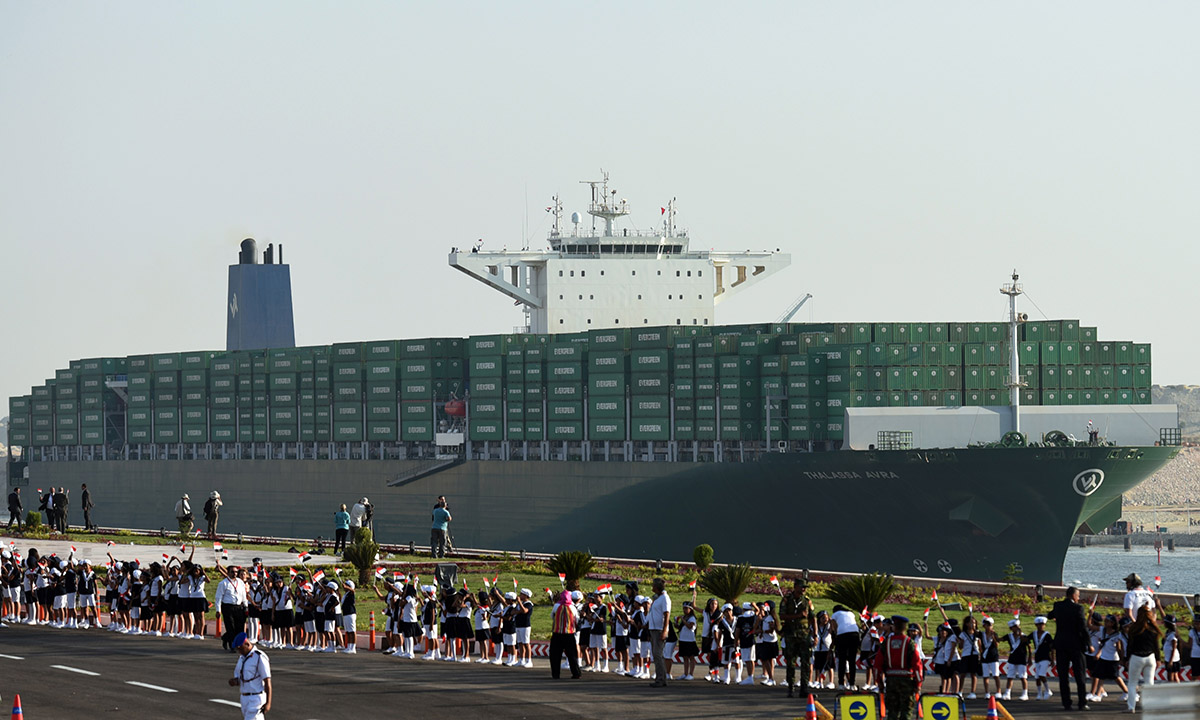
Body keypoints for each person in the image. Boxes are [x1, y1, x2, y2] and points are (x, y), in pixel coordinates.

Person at [1050, 586, 1092, 711]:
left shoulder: (1058, 606)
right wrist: (1089, 644)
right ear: (1074, 595)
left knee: (1063, 676)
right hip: (1076, 645)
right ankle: (1082, 703)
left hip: (1061, 644)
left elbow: (1050, 615)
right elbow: (1083, 628)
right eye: (1078, 595)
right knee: (1080, 675)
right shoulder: (1078, 608)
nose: (1079, 598)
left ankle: (1066, 703)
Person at [876, 615, 922, 720]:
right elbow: (917, 665)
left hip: (891, 681)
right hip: (907, 681)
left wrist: (879, 682)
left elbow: (877, 665)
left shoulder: (886, 643)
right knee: (906, 712)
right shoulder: (909, 643)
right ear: (905, 628)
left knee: (892, 712)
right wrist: (918, 683)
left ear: (893, 627)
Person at [780, 577, 816, 697]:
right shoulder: (786, 600)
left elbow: (812, 618)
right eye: (802, 587)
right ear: (795, 587)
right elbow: (782, 616)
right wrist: (798, 616)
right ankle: (791, 687)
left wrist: (815, 635)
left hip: (804, 635)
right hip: (791, 634)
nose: (804, 589)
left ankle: (804, 688)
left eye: (805, 587)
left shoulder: (807, 601)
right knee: (791, 662)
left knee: (806, 662)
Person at [1125, 606, 1162, 712]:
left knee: (1132, 683)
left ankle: (1131, 707)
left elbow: (1130, 645)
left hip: (1136, 657)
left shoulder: (1134, 628)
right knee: (1149, 683)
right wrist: (1158, 659)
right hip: (1150, 657)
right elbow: (1156, 646)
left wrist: (1127, 659)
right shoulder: (1153, 628)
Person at [228, 632, 272, 719]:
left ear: (247, 644)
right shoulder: (241, 659)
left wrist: (268, 703)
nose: (239, 652)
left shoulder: (259, 657)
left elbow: (267, 681)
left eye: (240, 649)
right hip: (244, 698)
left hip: (256, 698)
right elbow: (241, 678)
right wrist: (234, 681)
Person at [549, 589, 581, 679]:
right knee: (572, 655)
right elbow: (577, 619)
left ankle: (555, 674)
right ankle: (576, 673)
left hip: (557, 633)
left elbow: (552, 616)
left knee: (555, 655)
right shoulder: (572, 607)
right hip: (569, 633)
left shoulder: (556, 606)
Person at [646, 577, 671, 687]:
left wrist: (665, 630)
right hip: (654, 629)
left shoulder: (665, 598)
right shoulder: (658, 598)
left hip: (659, 629)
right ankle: (660, 678)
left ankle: (661, 679)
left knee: (658, 654)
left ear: (656, 587)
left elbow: (667, 614)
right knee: (656, 655)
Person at [831, 603, 860, 690]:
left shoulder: (835, 614)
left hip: (842, 635)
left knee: (842, 660)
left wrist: (836, 637)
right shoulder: (851, 613)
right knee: (852, 660)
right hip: (855, 633)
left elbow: (834, 628)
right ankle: (852, 684)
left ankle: (841, 684)